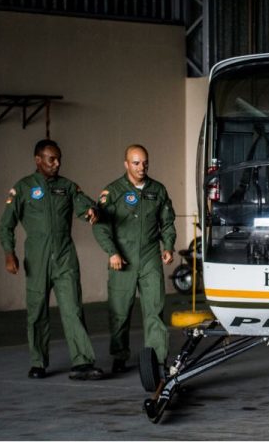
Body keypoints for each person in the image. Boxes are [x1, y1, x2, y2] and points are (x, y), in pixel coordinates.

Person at [0, 139, 104, 380]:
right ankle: (38, 362)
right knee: (37, 311)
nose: (57, 164)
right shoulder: (23, 188)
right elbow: (5, 225)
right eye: (51, 159)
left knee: (73, 309)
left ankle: (83, 362)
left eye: (59, 159)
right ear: (38, 160)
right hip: (38, 258)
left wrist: (91, 211)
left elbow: (85, 205)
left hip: (65, 257)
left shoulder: (67, 187)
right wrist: (9, 253)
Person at [93, 144, 176, 373]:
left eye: (145, 163)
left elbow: (167, 222)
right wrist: (112, 252)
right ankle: (119, 355)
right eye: (136, 163)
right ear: (126, 164)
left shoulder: (157, 190)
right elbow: (100, 226)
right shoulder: (113, 191)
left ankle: (158, 357)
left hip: (150, 257)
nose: (141, 167)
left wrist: (168, 246)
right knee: (120, 311)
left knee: (154, 309)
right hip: (122, 258)